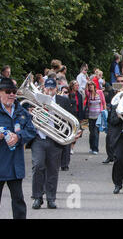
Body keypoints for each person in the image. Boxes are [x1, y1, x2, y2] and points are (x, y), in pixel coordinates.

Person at [29, 78, 75, 210]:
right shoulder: (36, 100)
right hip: (39, 138)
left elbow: (71, 118)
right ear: (44, 88)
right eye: (47, 88)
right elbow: (26, 117)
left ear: (56, 89)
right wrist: (31, 113)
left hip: (55, 139)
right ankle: (37, 197)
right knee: (38, 166)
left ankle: (51, 199)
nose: (49, 91)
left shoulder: (63, 101)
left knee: (53, 170)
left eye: (52, 88)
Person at [0, 78, 36, 219]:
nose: (11, 95)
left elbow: (31, 131)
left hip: (15, 165)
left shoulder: (21, 110)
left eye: (14, 92)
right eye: (8, 92)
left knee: (19, 201)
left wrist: (19, 136)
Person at [110, 85, 123, 195]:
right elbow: (112, 121)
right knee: (119, 159)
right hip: (119, 137)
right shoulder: (115, 106)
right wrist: (118, 116)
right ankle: (117, 184)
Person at [85, 81, 106, 154]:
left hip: (98, 115)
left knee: (96, 132)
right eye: (89, 86)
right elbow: (85, 91)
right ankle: (91, 147)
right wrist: (86, 83)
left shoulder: (99, 92)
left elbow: (103, 102)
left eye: (91, 85)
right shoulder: (89, 94)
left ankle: (95, 149)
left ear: (94, 86)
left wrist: (104, 111)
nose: (90, 87)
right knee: (91, 132)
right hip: (91, 116)